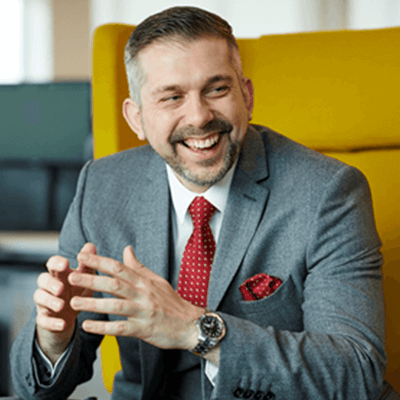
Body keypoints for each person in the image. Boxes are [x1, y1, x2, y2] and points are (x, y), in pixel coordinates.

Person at [9, 6, 399, 400]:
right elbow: (36, 391)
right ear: (137, 119)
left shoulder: (328, 191)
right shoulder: (103, 186)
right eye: (172, 97)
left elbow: (355, 372)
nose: (198, 116)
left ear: (246, 95)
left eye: (217, 89)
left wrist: (194, 328)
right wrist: (54, 340)